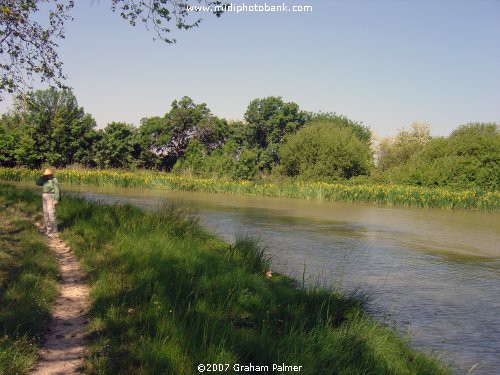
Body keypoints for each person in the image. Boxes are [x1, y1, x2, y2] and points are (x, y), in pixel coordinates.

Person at [36, 168, 61, 238]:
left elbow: (57, 190)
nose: (47, 175)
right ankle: (48, 230)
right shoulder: (44, 179)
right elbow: (38, 183)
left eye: (48, 174)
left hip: (51, 197)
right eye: (46, 174)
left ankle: (55, 232)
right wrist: (42, 177)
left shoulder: (54, 179)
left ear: (51, 174)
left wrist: (56, 199)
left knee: (51, 214)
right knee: (46, 213)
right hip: (44, 197)